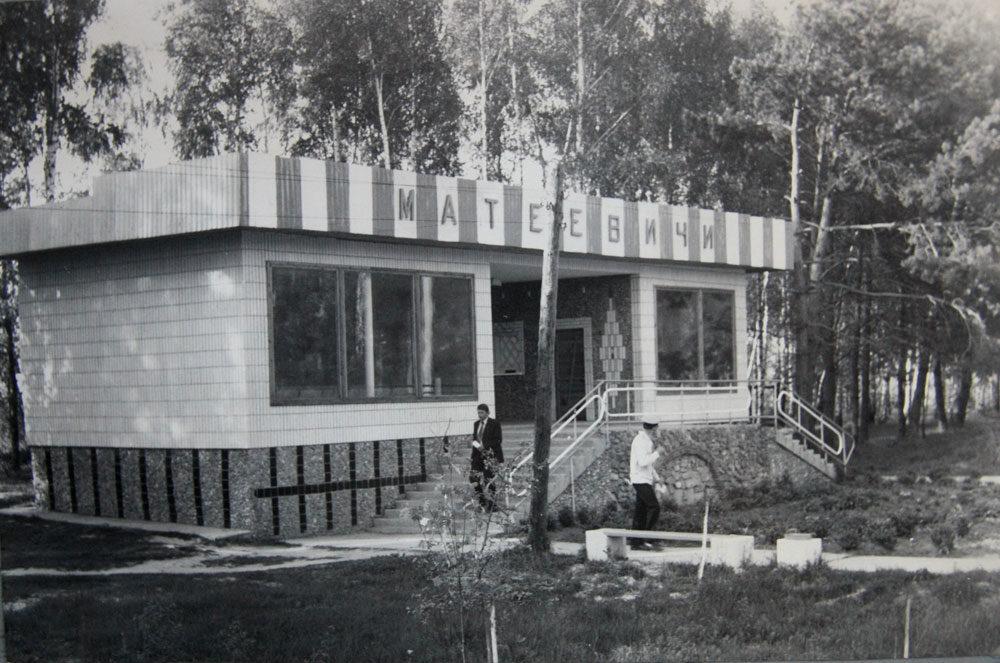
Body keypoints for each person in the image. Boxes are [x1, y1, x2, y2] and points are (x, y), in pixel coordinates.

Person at [630, 414, 665, 549]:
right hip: (639, 479)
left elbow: (648, 465)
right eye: (657, 428)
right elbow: (643, 462)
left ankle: (636, 542)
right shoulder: (639, 441)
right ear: (653, 428)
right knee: (654, 507)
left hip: (645, 479)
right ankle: (647, 537)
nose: (658, 431)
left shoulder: (647, 441)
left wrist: (657, 478)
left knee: (641, 511)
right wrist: (657, 453)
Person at [470, 403, 504, 512]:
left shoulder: (494, 423)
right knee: (473, 477)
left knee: (488, 478)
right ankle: (482, 502)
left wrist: (485, 446)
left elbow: (498, 440)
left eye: (482, 413)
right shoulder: (476, 424)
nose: (480, 415)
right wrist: (474, 449)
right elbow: (475, 438)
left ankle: (492, 504)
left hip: (491, 456)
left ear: (488, 413)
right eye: (478, 412)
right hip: (478, 455)